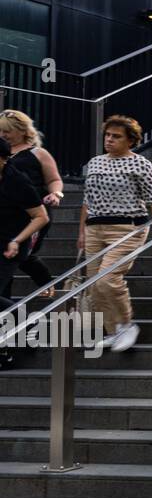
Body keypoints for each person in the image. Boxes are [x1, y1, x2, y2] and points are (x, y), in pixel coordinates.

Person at [79, 115, 152, 353]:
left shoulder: (140, 164)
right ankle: (114, 330)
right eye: (107, 135)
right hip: (95, 227)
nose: (109, 140)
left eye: (116, 136)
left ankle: (127, 325)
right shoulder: (95, 163)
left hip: (127, 227)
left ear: (130, 140)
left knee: (108, 279)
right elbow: (88, 200)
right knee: (94, 284)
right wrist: (82, 232)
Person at [0, 110, 64, 296]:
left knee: (21, 252)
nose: (4, 135)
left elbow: (54, 179)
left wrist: (56, 194)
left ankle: (45, 282)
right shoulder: (2, 151)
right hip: (7, 213)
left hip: (33, 212)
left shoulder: (38, 153)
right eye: (1, 131)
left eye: (8, 131)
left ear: (22, 131)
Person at [0, 139, 50, 370]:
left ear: (3, 159)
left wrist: (17, 241)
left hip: (12, 245)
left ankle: (14, 341)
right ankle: (25, 325)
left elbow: (41, 217)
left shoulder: (17, 181)